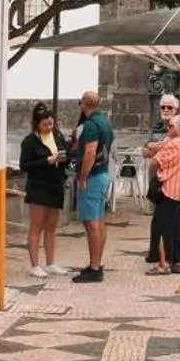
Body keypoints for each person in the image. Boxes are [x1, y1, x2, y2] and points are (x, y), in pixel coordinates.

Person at [144, 114, 180, 276]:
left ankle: (164, 263)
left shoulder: (175, 144)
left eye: (171, 126)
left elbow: (154, 161)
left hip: (169, 189)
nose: (168, 128)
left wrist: (156, 148)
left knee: (163, 227)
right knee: (175, 228)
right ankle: (177, 262)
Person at [70, 91, 115, 283]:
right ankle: (96, 263)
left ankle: (94, 268)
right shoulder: (104, 122)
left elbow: (89, 151)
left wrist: (82, 177)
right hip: (104, 174)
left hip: (93, 177)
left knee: (91, 222)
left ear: (84, 104)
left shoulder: (89, 125)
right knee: (99, 220)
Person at [18, 103, 67, 277]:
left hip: (55, 185)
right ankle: (34, 264)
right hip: (39, 186)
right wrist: (46, 161)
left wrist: (63, 159)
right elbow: (24, 165)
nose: (48, 128)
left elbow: (64, 151)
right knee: (36, 226)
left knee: (51, 226)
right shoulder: (30, 141)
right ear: (37, 124)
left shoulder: (57, 136)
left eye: (51, 124)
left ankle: (51, 262)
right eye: (45, 125)